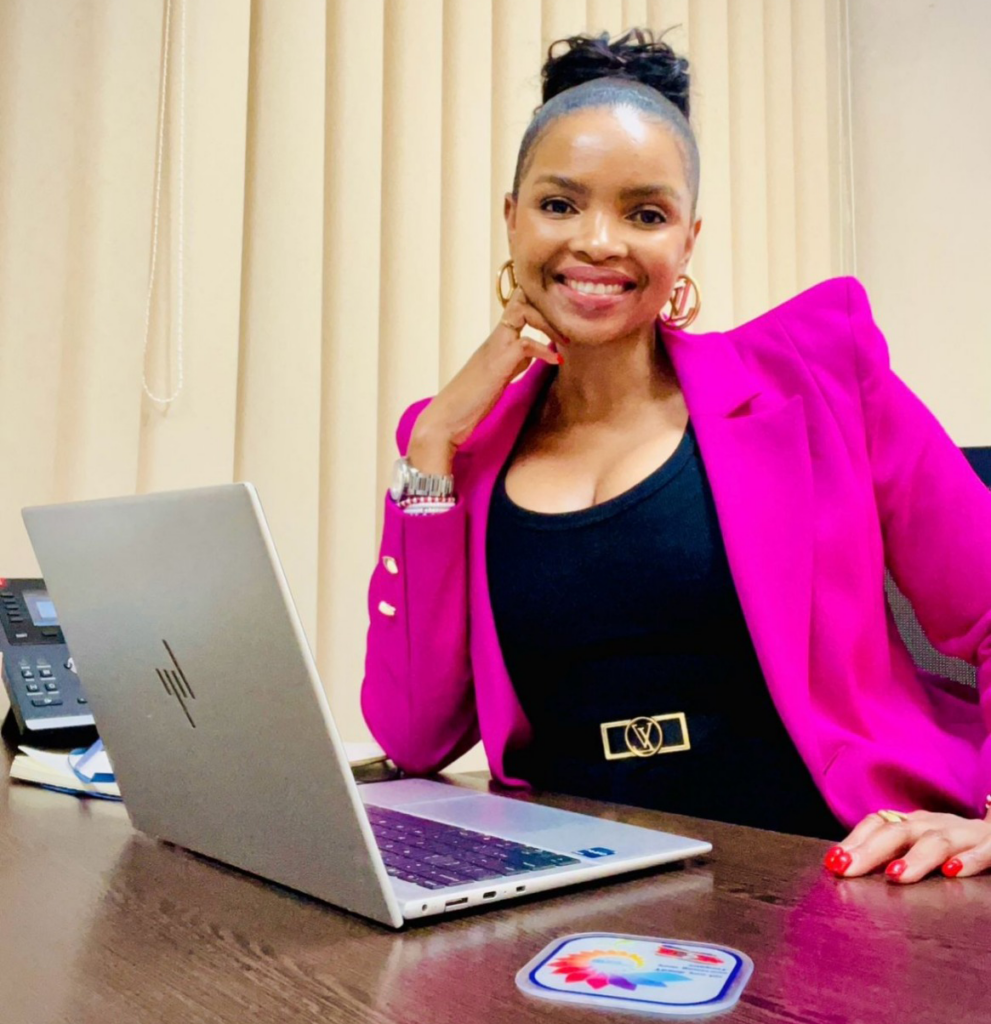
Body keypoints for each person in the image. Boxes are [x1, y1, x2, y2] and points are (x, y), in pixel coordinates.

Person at [361, 29, 991, 884]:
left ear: (687, 240)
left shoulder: (817, 373)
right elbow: (415, 736)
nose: (597, 241)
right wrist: (432, 442)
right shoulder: (456, 446)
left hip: (827, 871)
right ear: (510, 217)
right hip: (576, 891)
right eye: (559, 204)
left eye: (644, 214)